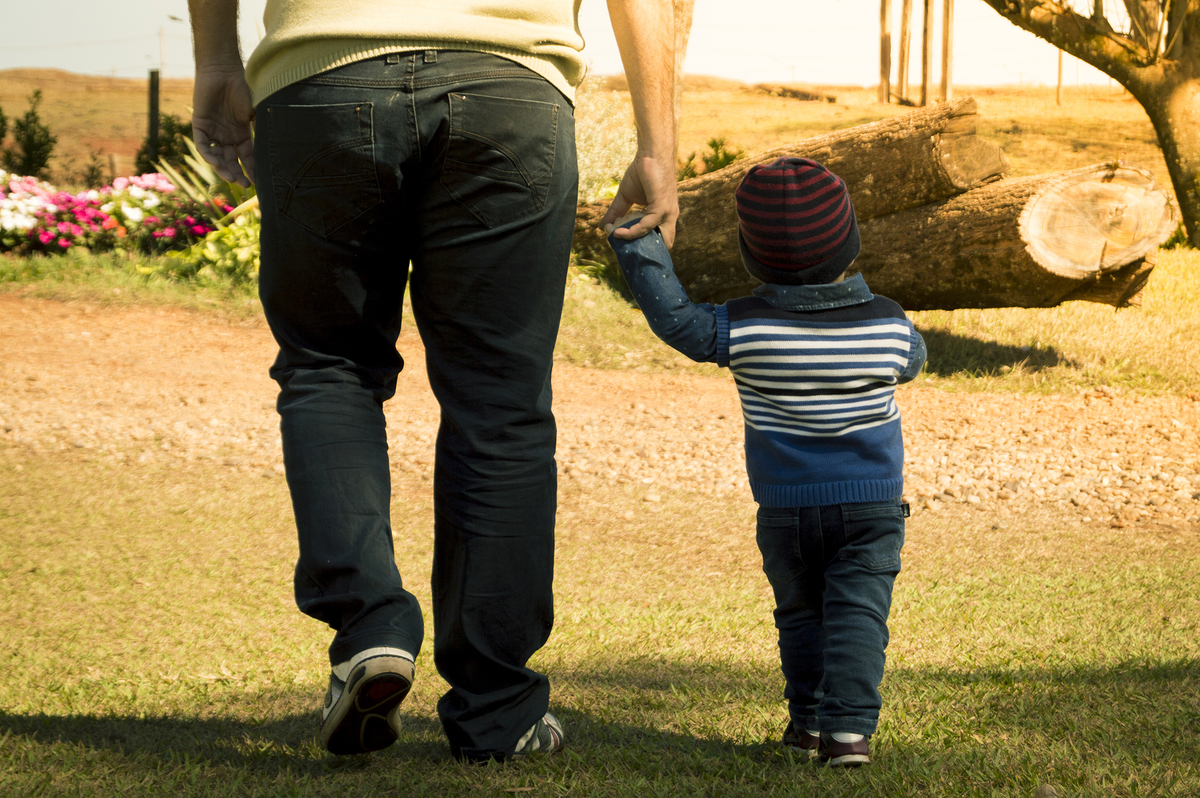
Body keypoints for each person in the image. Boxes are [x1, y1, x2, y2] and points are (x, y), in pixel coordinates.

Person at [186, 0, 679, 762]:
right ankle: (497, 710)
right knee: (500, 399)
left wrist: (218, 61)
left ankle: (370, 630)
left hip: (321, 76)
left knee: (330, 367)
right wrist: (658, 143)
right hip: (510, 82)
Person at [607, 157, 926, 767]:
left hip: (785, 512)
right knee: (859, 614)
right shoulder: (889, 324)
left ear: (752, 258)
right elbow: (914, 360)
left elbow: (678, 322)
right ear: (850, 243)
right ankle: (849, 734)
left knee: (800, 615)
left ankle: (807, 722)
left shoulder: (743, 328)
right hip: (870, 508)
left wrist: (638, 241)